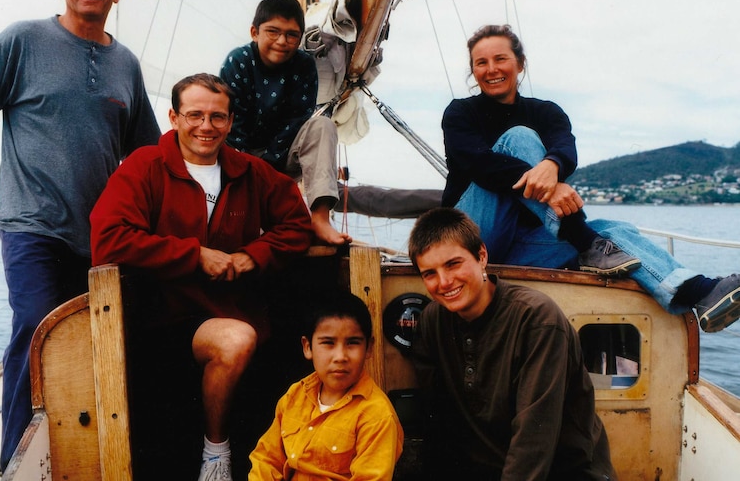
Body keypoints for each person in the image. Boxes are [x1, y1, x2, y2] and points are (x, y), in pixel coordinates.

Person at [0, 0, 160, 471]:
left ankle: (88, 455)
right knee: (37, 330)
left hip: (99, 234)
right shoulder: (22, 39)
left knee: (96, 339)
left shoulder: (125, 65)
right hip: (30, 222)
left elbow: (147, 154)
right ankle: (17, 463)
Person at [442, 24, 740, 333]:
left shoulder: (546, 112)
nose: (491, 69)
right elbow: (477, 162)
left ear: (520, 63)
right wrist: (549, 181)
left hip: (517, 249)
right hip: (466, 242)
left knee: (613, 231)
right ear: (473, 70)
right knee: (520, 138)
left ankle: (698, 291)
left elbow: (565, 147)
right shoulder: (460, 113)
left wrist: (554, 163)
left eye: (500, 59)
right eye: (481, 62)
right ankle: (583, 239)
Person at [89, 73, 314, 481]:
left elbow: (298, 225)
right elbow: (108, 238)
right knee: (236, 339)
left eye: (217, 117)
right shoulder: (144, 167)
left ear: (230, 122)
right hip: (162, 318)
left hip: (229, 309)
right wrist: (193, 256)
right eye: (194, 115)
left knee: (260, 335)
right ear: (173, 117)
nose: (206, 127)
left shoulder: (250, 171)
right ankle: (217, 454)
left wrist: (253, 255)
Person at [408, 207, 617, 480]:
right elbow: (441, 423)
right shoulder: (432, 322)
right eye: (429, 274)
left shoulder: (537, 319)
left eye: (453, 264)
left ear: (481, 256)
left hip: (562, 471)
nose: (444, 282)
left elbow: (534, 437)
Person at [219, 0, 352, 246]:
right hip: (239, 158)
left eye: (292, 35)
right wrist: (252, 170)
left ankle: (320, 218)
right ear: (254, 32)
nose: (282, 41)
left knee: (322, 125)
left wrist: (269, 167)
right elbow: (232, 125)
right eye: (273, 32)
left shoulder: (303, 65)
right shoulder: (238, 62)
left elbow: (298, 119)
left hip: (283, 155)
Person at [248, 291, 404, 480]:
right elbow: (266, 459)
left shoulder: (376, 415)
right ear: (307, 347)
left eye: (352, 343)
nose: (340, 356)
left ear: (369, 348)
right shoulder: (295, 396)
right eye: (328, 343)